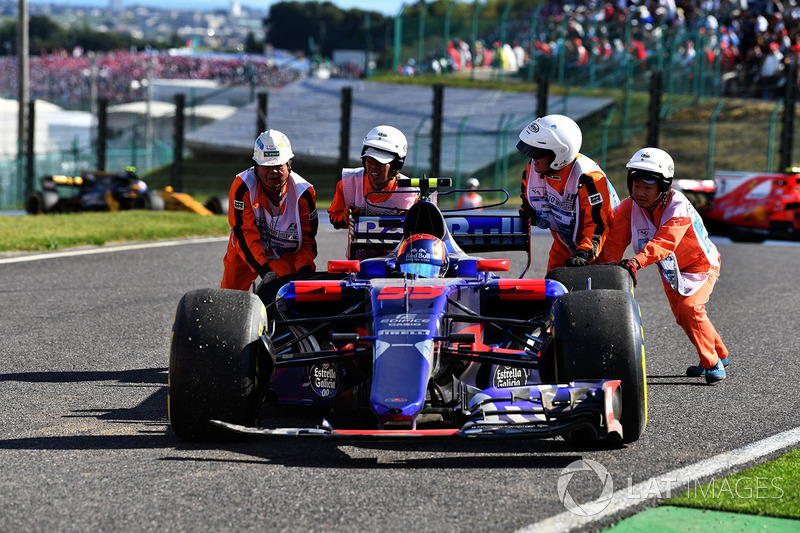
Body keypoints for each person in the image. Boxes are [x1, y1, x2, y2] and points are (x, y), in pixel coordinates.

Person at [602, 147, 728, 384]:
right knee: (683, 316)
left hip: (701, 265)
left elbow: (665, 242)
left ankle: (711, 362)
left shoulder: (677, 204)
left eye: (648, 188)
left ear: (664, 187)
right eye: (636, 185)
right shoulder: (629, 206)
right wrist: (608, 268)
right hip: (671, 268)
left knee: (690, 308)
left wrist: (636, 262)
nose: (640, 193)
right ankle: (720, 353)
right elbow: (615, 240)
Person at [516, 114, 619, 273]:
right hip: (564, 245)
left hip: (601, 248)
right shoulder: (532, 171)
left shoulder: (590, 179)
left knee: (602, 294)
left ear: (559, 154)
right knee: (552, 292)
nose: (532, 158)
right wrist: (528, 215)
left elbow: (598, 223)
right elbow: (527, 203)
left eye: (537, 152)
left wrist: (584, 252)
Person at [220, 129, 318, 292]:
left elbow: (307, 240)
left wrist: (304, 271)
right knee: (229, 296)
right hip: (245, 251)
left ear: (289, 164)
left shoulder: (304, 193)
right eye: (266, 166)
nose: (272, 172)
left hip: (286, 253)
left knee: (291, 296)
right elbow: (243, 232)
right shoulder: (242, 187)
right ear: (256, 167)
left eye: (278, 166)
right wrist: (264, 271)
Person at [328, 125, 419, 231]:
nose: (374, 166)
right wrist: (346, 217)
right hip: (358, 248)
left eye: (381, 161)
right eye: (370, 159)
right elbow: (335, 219)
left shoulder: (410, 192)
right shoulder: (348, 183)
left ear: (396, 165)